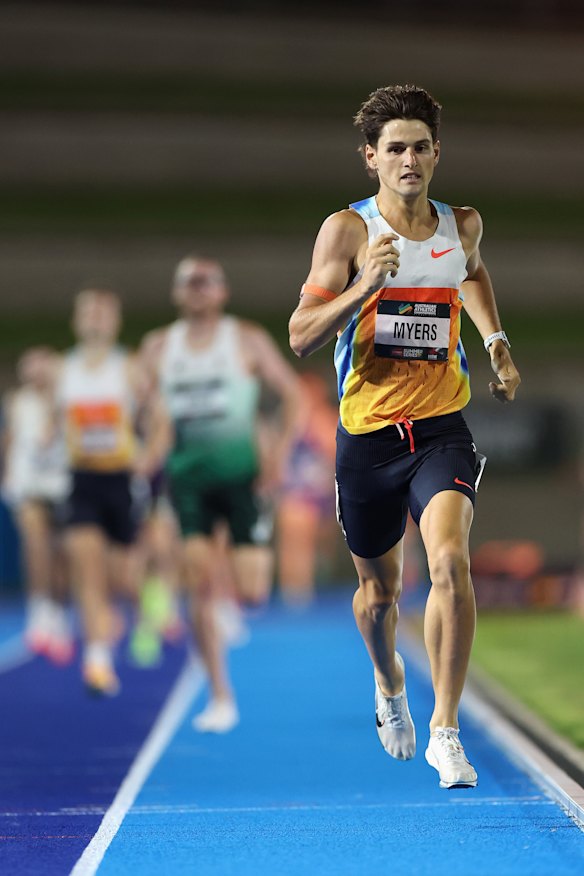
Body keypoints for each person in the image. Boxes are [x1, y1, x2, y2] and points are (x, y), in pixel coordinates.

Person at [289, 84, 521, 789]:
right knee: (379, 596)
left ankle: (446, 730)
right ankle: (389, 681)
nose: (409, 158)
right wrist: (363, 288)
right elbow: (300, 335)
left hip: (440, 427)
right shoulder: (348, 233)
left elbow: (471, 274)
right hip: (367, 436)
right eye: (395, 148)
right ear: (371, 159)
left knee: (450, 562)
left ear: (437, 153)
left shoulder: (462, 224)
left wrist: (496, 342)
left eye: (421, 146)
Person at [141, 255, 300, 733]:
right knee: (198, 585)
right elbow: (144, 410)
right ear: (176, 293)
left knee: (252, 591)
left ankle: (232, 591)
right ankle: (219, 695)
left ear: (222, 292)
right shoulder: (157, 347)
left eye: (206, 282)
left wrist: (279, 454)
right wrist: (150, 449)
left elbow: (293, 395)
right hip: (188, 480)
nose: (197, 289)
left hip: (241, 478)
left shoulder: (245, 338)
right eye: (188, 282)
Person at [55, 287, 168, 695]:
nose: (96, 319)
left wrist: (149, 459)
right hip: (81, 480)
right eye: (89, 312)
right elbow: (51, 423)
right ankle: (97, 661)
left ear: (115, 323)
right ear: (76, 321)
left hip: (122, 481)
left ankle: (147, 602)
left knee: (122, 578)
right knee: (87, 567)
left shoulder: (130, 368)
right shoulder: (62, 370)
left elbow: (161, 423)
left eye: (104, 313)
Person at [1, 346, 73, 664]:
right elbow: (11, 438)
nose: (35, 372)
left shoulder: (67, 397)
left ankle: (57, 611)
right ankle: (38, 609)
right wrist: (6, 474)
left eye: (41, 365)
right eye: (29, 366)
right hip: (28, 484)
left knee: (61, 555)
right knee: (36, 544)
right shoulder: (17, 400)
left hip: (62, 484)